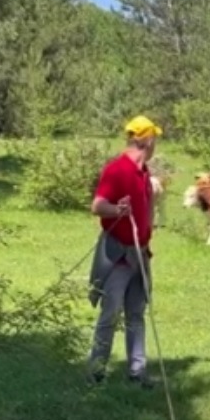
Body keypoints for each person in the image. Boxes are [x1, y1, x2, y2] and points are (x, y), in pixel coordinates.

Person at [86, 115, 161, 389]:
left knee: (136, 313)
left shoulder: (144, 173)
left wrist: (146, 233)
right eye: (156, 139)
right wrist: (117, 210)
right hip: (117, 256)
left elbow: (148, 208)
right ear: (148, 139)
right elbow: (97, 205)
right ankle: (95, 372)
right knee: (110, 314)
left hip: (139, 254)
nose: (156, 145)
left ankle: (137, 372)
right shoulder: (116, 169)